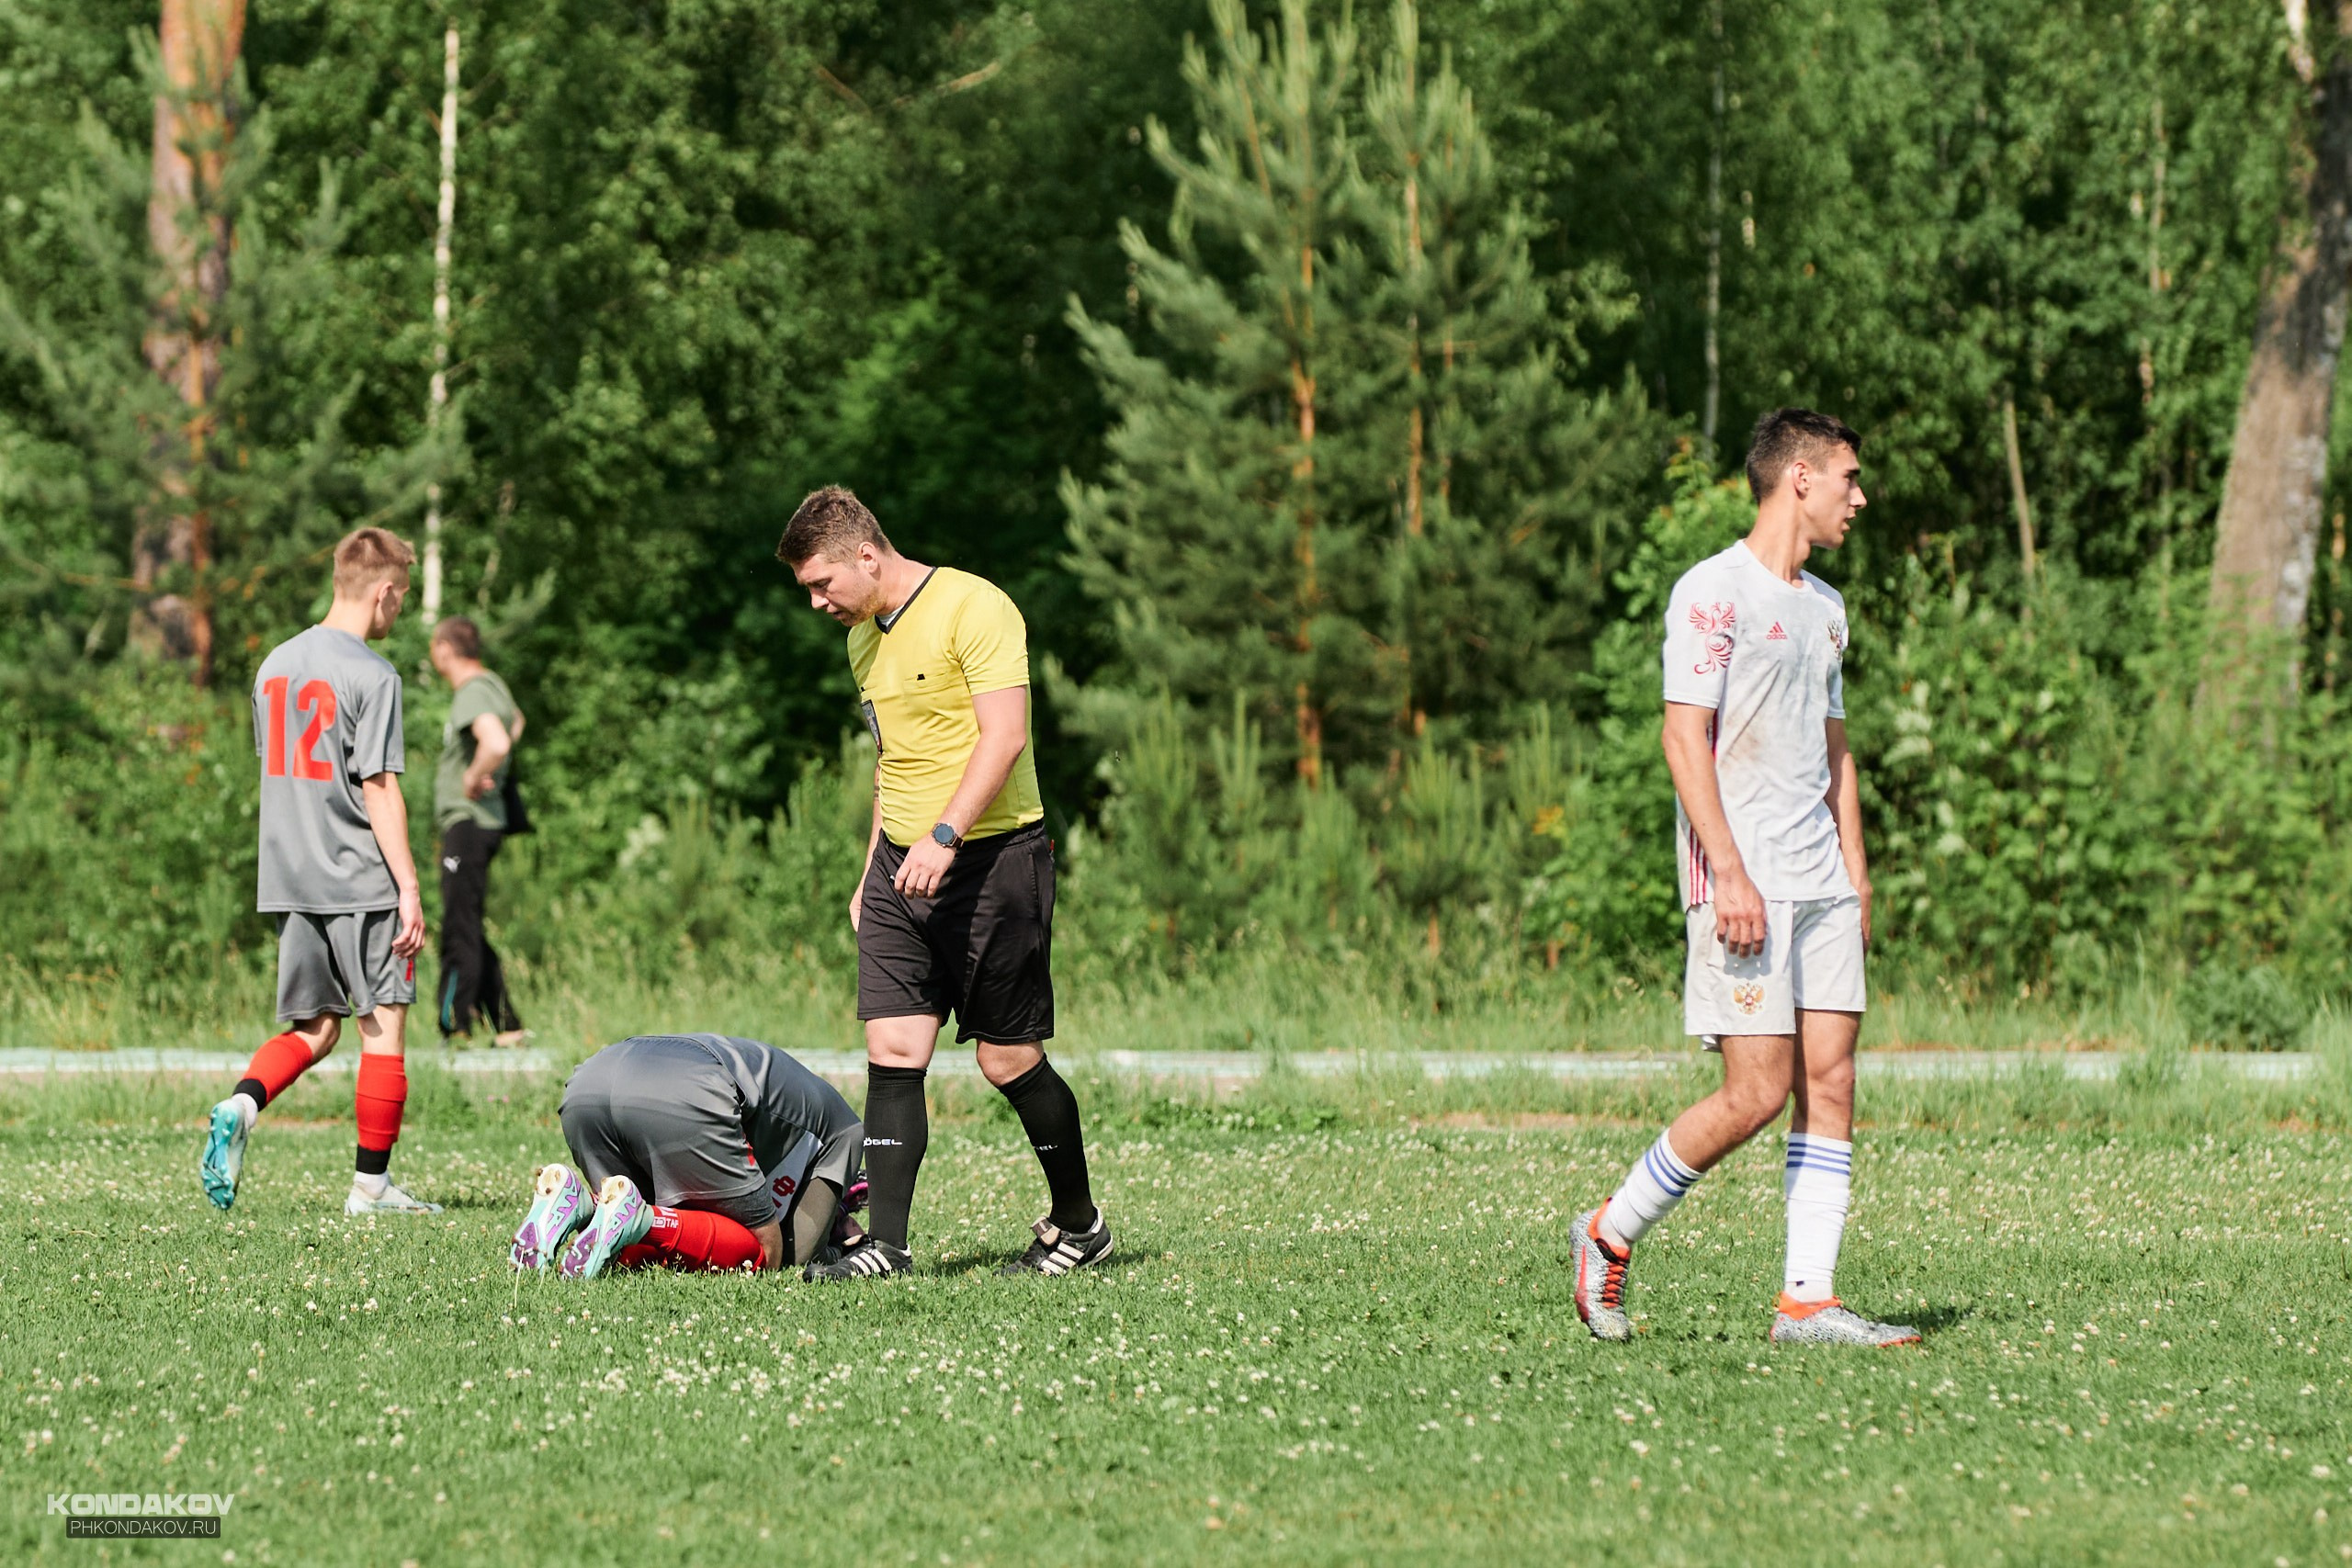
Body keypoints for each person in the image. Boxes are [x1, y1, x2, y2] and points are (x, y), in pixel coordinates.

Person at [1569, 409, 1917, 1348]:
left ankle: (1807, 1301)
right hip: (1744, 882)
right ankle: (1608, 1231)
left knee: (1831, 1083)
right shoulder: (1710, 591)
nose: (1859, 495)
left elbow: (1835, 752)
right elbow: (1683, 737)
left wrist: (1859, 876)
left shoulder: (1828, 608)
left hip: (1823, 884)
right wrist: (1725, 871)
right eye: (1848, 476)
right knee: (1754, 1093)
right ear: (1798, 477)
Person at [776, 485, 1111, 1280]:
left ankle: (1080, 1224)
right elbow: (892, 764)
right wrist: (873, 871)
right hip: (902, 863)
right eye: (809, 591)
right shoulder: (863, 641)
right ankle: (887, 1247)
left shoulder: (975, 606)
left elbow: (1005, 738)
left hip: (992, 859)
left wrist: (944, 835)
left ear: (866, 552)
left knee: (1006, 1058)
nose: (819, 602)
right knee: (893, 1048)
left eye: (824, 583)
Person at [200, 527, 440, 1217]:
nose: (399, 611)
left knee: (316, 1028)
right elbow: (378, 786)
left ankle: (240, 1105)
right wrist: (409, 888)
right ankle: (371, 1188)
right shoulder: (373, 674)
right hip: (358, 874)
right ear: (386, 591)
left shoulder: (274, 664)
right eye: (402, 598)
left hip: (289, 875)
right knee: (382, 1026)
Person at [512, 1033, 865, 1278]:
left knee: (623, 1218)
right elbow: (793, 1255)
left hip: (589, 1083)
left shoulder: (804, 1107)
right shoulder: (843, 1133)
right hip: (689, 1092)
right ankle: (640, 1219)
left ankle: (580, 1205)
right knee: (760, 1256)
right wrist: (834, 1251)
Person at [427, 616, 528, 1046]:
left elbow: (499, 741)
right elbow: (516, 724)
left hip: (467, 824)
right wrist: (495, 771)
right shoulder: (495, 686)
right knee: (468, 924)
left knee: (457, 927)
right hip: (483, 825)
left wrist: (475, 776)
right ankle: (507, 1025)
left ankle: (455, 1024)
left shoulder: (472, 691)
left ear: (446, 649)